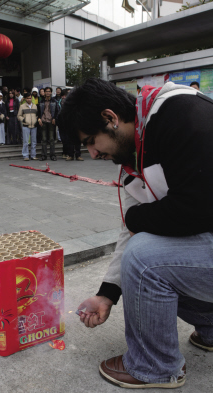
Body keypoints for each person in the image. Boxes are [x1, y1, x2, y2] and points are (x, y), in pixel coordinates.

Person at [58, 77, 213, 389]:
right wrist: (107, 294)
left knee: (145, 258)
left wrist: (135, 217)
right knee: (147, 254)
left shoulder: (183, 115)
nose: (91, 153)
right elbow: (130, 230)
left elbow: (199, 208)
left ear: (110, 118)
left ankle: (154, 367)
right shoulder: (134, 158)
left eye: (90, 140)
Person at [38, 86, 59, 161]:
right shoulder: (41, 102)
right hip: (43, 121)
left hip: (51, 121)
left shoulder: (54, 101)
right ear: (44, 92)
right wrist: (39, 119)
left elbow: (57, 112)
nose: (47, 93)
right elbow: (38, 112)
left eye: (49, 91)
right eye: (46, 91)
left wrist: (54, 119)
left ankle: (52, 155)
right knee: (43, 139)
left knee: (51, 139)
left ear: (51, 92)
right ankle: (44, 156)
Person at [17, 92, 38, 161]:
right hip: (26, 125)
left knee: (34, 141)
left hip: (34, 126)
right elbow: (19, 115)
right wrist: (23, 119)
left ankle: (33, 155)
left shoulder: (35, 106)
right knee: (25, 142)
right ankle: (25, 155)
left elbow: (37, 115)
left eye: (30, 98)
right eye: (28, 98)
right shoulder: (22, 106)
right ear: (25, 99)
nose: (29, 99)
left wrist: (36, 120)